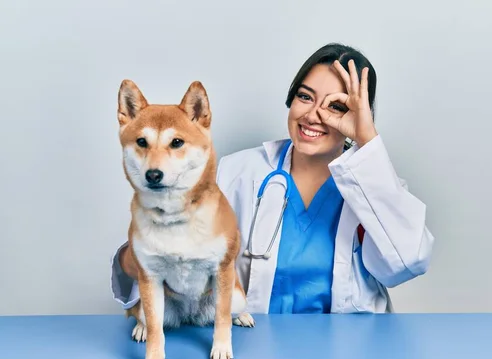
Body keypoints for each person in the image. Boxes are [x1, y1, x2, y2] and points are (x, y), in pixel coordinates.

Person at [110, 42, 434, 315]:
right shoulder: (235, 173)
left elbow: (407, 261)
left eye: (336, 106)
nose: (313, 115)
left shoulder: (374, 184)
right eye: (305, 97)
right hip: (254, 347)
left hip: (350, 352)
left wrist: (367, 141)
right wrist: (135, 259)